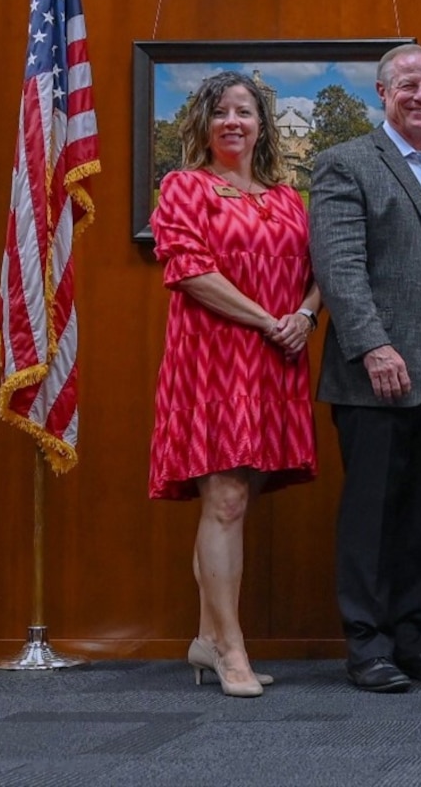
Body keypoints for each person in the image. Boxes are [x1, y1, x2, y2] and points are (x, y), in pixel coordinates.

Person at [308, 43, 421, 693]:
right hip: (375, 372)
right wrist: (373, 345)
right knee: (373, 515)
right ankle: (367, 647)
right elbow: (340, 267)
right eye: (407, 85)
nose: (420, 96)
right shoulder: (346, 163)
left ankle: (413, 642)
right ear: (382, 93)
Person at [149, 71, 322, 699]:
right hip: (213, 360)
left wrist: (303, 315)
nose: (232, 122)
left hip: (277, 359)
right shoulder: (184, 187)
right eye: (220, 112)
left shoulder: (287, 198)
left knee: (235, 503)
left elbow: (323, 269)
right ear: (202, 123)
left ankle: (205, 635)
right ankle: (230, 648)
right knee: (223, 501)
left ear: (260, 124)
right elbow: (191, 272)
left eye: (244, 112)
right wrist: (268, 319)